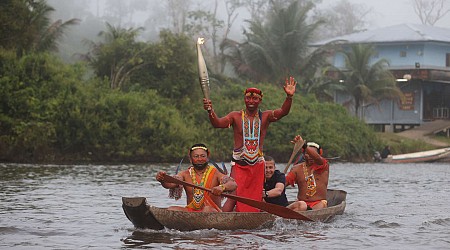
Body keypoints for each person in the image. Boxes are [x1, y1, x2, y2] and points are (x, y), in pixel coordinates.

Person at [203, 77, 297, 212]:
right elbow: (217, 124)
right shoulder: (235, 116)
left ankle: (252, 220)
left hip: (258, 165)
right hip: (239, 164)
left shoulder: (265, 116)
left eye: (255, 99)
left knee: (256, 197)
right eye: (248, 98)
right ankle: (222, 219)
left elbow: (283, 112)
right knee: (234, 194)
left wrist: (289, 97)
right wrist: (210, 111)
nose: (251, 101)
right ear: (244, 99)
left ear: (260, 101)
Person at [155, 143, 237, 212]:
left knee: (207, 209)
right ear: (190, 159)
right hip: (191, 212)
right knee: (172, 209)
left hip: (212, 212)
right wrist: (162, 180)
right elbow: (171, 184)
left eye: (202, 156)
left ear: (207, 157)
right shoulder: (184, 174)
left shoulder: (216, 173)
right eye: (196, 156)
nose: (200, 159)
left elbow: (233, 184)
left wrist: (222, 187)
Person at [285, 135, 329, 211]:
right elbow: (285, 182)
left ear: (319, 155)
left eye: (313, 154)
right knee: (302, 205)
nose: (310, 156)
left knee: (321, 205)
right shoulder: (296, 169)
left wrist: (304, 145)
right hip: (301, 204)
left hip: (318, 203)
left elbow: (317, 158)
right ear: (304, 154)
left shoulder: (323, 165)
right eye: (308, 154)